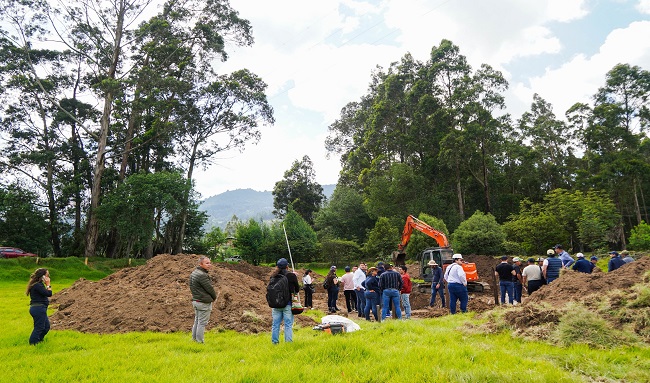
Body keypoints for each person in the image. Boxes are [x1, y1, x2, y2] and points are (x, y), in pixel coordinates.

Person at [270, 258, 300, 344]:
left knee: (275, 325)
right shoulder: (291, 276)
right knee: (288, 325)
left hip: (276, 304)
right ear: (287, 266)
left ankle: (275, 342)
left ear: (277, 266)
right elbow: (297, 289)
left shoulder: (273, 276)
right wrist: (294, 277)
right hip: (288, 304)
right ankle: (288, 343)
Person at [189, 256, 217, 343]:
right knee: (202, 323)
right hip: (203, 302)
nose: (209, 265)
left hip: (196, 301)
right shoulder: (202, 275)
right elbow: (209, 288)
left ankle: (194, 340)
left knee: (197, 321)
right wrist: (214, 297)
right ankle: (200, 342)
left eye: (210, 263)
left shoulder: (194, 273)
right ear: (200, 264)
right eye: (207, 263)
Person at [26, 268, 52, 345]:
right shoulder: (37, 285)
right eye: (47, 275)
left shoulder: (38, 285)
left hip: (40, 309)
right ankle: (33, 343)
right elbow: (49, 293)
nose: (48, 277)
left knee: (46, 327)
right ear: (43, 276)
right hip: (38, 309)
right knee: (39, 327)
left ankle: (39, 341)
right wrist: (48, 284)